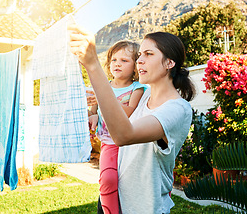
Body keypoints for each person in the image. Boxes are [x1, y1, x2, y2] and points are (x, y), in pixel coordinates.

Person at [69, 26, 195, 214]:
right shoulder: (143, 97)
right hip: (114, 199)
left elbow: (124, 135)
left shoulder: (177, 109)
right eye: (139, 56)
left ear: (169, 63)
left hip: (143, 208)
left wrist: (93, 64)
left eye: (149, 54)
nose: (140, 60)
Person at [86, 40, 147, 214]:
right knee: (108, 178)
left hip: (130, 145)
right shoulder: (103, 86)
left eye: (124, 60)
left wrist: (104, 98)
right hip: (109, 143)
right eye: (114, 60)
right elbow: (93, 109)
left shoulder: (137, 88)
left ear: (135, 66)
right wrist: (93, 114)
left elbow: (128, 112)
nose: (117, 64)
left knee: (128, 184)